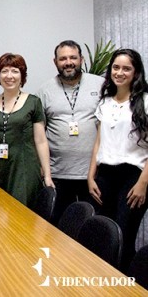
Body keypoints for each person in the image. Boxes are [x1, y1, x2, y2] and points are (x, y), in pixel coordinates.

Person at [88, 48, 148, 271]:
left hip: (134, 176)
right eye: (116, 67)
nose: (120, 72)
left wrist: (143, 183)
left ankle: (125, 287)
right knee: (103, 234)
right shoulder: (105, 102)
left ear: (136, 72)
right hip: (105, 175)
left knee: (123, 235)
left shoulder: (144, 101)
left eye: (126, 68)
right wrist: (90, 176)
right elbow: (98, 142)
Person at [0, 53, 54, 207]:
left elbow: (41, 141)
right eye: (4, 71)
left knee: (22, 217)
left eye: (15, 71)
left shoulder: (33, 102)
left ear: (22, 76)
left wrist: (47, 175)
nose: (9, 76)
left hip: (24, 169)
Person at [36, 40, 104, 223]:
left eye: (73, 57)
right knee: (58, 229)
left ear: (81, 59)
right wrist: (44, 169)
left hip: (93, 174)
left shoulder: (101, 85)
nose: (68, 62)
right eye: (63, 58)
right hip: (58, 174)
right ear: (55, 62)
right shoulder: (44, 90)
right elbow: (39, 134)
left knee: (93, 229)